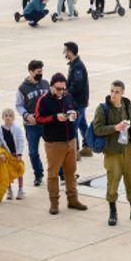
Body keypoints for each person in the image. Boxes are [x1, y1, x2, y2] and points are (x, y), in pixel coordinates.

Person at [34, 73, 88, 215]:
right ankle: (54, 203)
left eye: (63, 88)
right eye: (58, 89)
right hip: (54, 144)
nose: (61, 92)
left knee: (71, 173)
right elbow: (38, 119)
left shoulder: (68, 96)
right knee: (53, 174)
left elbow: (76, 108)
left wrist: (75, 114)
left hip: (70, 141)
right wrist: (54, 118)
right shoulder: (44, 100)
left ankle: (73, 200)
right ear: (51, 86)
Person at [16, 60, 49, 187]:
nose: (40, 74)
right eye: (38, 72)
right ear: (30, 72)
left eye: (41, 71)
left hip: (46, 124)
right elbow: (19, 105)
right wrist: (26, 115)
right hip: (31, 126)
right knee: (33, 152)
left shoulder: (46, 84)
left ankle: (61, 172)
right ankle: (38, 174)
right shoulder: (22, 88)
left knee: (54, 148)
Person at [64, 42, 92, 157]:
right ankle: (87, 147)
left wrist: (66, 93)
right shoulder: (73, 64)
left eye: (65, 51)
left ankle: (75, 152)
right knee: (82, 124)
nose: (64, 53)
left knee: (73, 125)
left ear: (70, 52)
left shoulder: (77, 67)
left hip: (77, 102)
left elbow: (77, 85)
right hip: (79, 101)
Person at [0, 108, 26, 201]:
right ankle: (9, 190)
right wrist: (1, 154)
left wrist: (19, 153)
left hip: (16, 154)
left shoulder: (17, 129)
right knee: (7, 173)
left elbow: (21, 141)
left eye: (10, 115)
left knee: (19, 171)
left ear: (13, 117)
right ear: (3, 117)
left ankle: (21, 190)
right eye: (6, 115)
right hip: (6, 155)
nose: (8, 117)